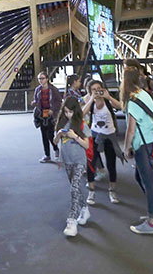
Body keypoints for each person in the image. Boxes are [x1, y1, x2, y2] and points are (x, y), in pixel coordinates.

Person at [121, 67, 153, 235]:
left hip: (141, 144)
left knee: (148, 180)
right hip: (150, 140)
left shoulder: (133, 100)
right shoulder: (144, 94)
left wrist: (126, 148)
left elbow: (130, 130)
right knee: (140, 176)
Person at [54, 96, 91, 237]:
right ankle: (85, 209)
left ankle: (72, 220)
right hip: (67, 161)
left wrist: (75, 136)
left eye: (70, 112)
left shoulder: (81, 124)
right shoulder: (62, 123)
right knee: (76, 189)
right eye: (65, 112)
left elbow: (86, 145)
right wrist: (58, 135)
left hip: (79, 161)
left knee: (74, 187)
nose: (68, 114)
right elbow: (55, 141)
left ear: (75, 111)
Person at [82, 80, 123, 204]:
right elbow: (82, 113)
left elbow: (120, 106)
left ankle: (112, 190)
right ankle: (91, 191)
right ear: (90, 91)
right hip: (95, 135)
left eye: (98, 88)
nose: (97, 91)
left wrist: (108, 96)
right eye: (93, 89)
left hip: (109, 135)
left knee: (111, 163)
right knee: (91, 162)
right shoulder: (90, 101)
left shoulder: (107, 100)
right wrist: (91, 99)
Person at [31, 72, 62, 163]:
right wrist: (35, 103)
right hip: (41, 114)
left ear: (47, 79)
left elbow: (59, 101)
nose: (41, 80)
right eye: (39, 79)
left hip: (51, 114)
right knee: (44, 135)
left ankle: (56, 149)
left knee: (50, 134)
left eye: (42, 78)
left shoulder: (53, 89)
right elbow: (37, 100)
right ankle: (47, 155)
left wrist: (53, 110)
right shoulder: (38, 89)